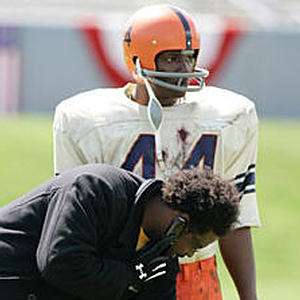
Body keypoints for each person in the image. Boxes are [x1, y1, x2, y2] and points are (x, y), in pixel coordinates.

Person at [53, 4, 260, 300]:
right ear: (136, 58)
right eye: (172, 59)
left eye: (189, 57)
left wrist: (249, 297)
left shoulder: (230, 117)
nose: (185, 69)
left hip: (196, 274)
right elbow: (73, 225)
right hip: (120, 271)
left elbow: (235, 222)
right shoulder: (85, 120)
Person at [0, 164, 240, 300]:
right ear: (180, 223)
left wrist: (135, 279)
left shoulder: (163, 256)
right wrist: (133, 278)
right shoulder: (96, 188)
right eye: (196, 244)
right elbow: (60, 263)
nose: (189, 254)